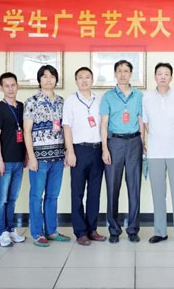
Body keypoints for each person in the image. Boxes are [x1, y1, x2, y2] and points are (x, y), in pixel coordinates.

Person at [143, 62, 174, 246]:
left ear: (171, 77)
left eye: (166, 74)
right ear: (155, 76)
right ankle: (160, 232)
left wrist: (171, 136)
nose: (163, 76)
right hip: (155, 152)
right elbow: (146, 123)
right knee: (158, 194)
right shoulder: (147, 97)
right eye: (159, 73)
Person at [24, 65, 69, 247]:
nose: (48, 79)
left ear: (56, 80)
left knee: (53, 195)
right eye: (44, 76)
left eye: (52, 76)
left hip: (58, 157)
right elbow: (27, 131)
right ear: (39, 80)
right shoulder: (32, 101)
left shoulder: (61, 102)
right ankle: (37, 233)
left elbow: (66, 129)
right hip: (39, 158)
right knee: (36, 196)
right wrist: (31, 157)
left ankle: (51, 230)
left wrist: (66, 151)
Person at [100, 59, 144, 244]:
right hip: (114, 143)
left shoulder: (139, 95)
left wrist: (143, 143)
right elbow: (103, 124)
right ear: (115, 74)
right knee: (112, 186)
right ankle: (114, 229)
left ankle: (133, 229)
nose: (123, 74)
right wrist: (104, 148)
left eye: (126, 71)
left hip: (134, 142)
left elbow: (141, 120)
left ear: (131, 74)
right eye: (119, 71)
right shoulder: (108, 96)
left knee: (134, 187)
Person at [63, 67, 106, 246]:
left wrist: (105, 149)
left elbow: (104, 125)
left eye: (87, 77)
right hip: (79, 150)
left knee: (94, 192)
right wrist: (70, 151)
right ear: (76, 81)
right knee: (77, 192)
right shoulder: (71, 100)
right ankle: (80, 232)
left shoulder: (100, 99)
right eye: (80, 77)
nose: (84, 80)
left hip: (97, 149)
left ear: (92, 80)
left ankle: (92, 229)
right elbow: (67, 127)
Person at [0, 72, 26, 247]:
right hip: (4, 162)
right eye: (7, 86)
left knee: (12, 198)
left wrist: (26, 156)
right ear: (1, 88)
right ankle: (1, 232)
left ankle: (11, 229)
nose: (10, 89)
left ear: (17, 86)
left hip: (19, 161)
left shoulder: (22, 107)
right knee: (1, 199)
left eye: (13, 85)